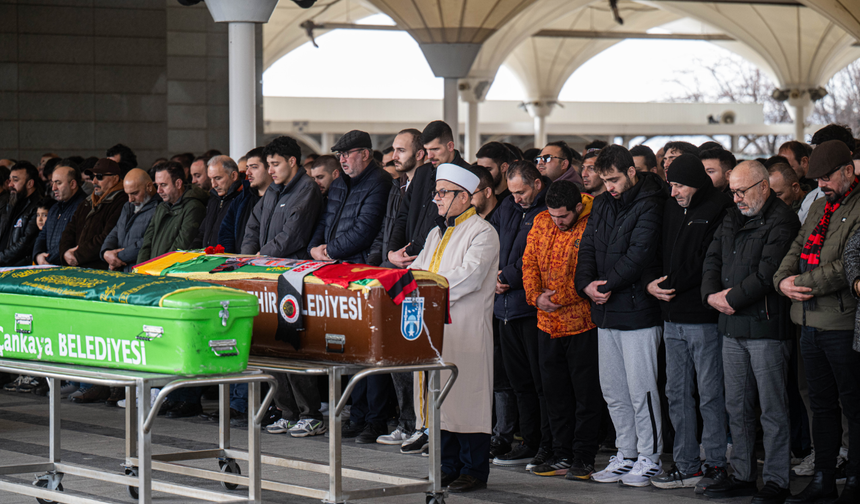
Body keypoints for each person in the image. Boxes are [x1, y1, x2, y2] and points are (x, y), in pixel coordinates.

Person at [701, 160, 799, 504]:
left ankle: (776, 481)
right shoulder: (732, 214)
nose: (737, 198)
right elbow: (712, 257)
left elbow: (769, 273)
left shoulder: (783, 219)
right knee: (737, 407)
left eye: (743, 191)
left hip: (767, 327)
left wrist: (730, 299)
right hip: (731, 326)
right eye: (733, 191)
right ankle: (742, 475)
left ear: (763, 186)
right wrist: (711, 295)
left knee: (773, 410)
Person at [574, 145, 668, 487]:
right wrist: (585, 284)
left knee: (641, 389)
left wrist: (607, 284)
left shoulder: (652, 202)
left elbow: (639, 254)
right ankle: (626, 452)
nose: (609, 186)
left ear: (631, 171)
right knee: (613, 389)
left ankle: (650, 456)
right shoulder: (601, 203)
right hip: (605, 310)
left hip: (638, 311)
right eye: (604, 180)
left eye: (613, 179)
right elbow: (586, 249)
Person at [776, 141, 860, 504]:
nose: (821, 184)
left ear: (848, 171)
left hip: (840, 323)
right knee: (821, 406)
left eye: (827, 177)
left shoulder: (859, 207)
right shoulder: (820, 206)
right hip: (807, 321)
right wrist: (782, 280)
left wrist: (803, 283)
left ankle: (855, 480)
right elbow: (796, 247)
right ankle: (824, 478)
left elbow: (847, 265)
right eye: (817, 179)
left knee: (854, 406)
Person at [409, 162, 499, 493]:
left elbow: (469, 278)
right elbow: (416, 271)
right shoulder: (436, 234)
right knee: (442, 398)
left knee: (468, 398)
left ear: (464, 197)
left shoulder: (483, 232)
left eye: (442, 193)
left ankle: (474, 470)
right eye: (436, 192)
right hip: (437, 329)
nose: (436, 198)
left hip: (467, 328)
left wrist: (427, 289)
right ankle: (447, 466)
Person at [644, 155, 732, 493]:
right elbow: (655, 251)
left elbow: (707, 261)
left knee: (710, 394)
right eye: (671, 185)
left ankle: (714, 464)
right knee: (676, 393)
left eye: (679, 185)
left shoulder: (719, 207)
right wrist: (650, 282)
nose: (674, 192)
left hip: (702, 318)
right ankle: (685, 465)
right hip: (670, 316)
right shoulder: (671, 207)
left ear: (696, 181)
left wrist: (671, 284)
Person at [522, 180, 601, 479]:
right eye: (553, 216)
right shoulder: (542, 221)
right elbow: (528, 262)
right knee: (553, 394)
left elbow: (590, 270)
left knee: (585, 395)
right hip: (546, 323)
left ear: (578, 208)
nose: (557, 222)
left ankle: (583, 457)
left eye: (563, 217)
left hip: (582, 323)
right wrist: (535, 296)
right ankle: (560, 454)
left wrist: (556, 298)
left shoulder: (592, 223)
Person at [489, 161, 553, 470]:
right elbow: (493, 245)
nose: (517, 198)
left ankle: (545, 442)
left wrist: (506, 277)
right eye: (512, 192)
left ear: (538, 184)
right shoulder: (507, 207)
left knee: (540, 381)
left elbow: (537, 257)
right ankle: (528, 441)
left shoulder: (548, 210)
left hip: (529, 308)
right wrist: (494, 274)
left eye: (522, 191)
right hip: (503, 309)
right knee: (518, 383)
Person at [308, 130, 389, 265]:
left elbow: (364, 230)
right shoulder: (338, 184)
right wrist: (313, 249)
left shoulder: (380, 182)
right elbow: (324, 220)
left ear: (365, 154)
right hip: (330, 260)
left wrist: (328, 251)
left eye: (346, 154)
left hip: (358, 264)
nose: (341, 160)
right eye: (339, 155)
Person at [240, 137, 321, 258]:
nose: (270, 171)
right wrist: (247, 256)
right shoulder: (273, 188)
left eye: (275, 164)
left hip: (290, 267)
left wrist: (263, 254)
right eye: (268, 165)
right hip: (263, 262)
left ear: (292, 162)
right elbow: (253, 226)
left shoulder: (308, 189)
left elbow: (293, 235)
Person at [58, 158, 128, 270]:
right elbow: (69, 230)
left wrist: (77, 255)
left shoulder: (122, 201)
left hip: (100, 271)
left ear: (115, 179)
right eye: (92, 177)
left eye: (99, 177)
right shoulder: (87, 202)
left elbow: (107, 237)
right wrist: (65, 253)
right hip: (78, 267)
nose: (94, 181)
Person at [136, 161, 208, 265]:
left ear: (178, 183)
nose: (158, 191)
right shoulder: (162, 207)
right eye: (157, 185)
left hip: (170, 272)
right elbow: (147, 242)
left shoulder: (193, 207)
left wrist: (157, 268)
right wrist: (140, 268)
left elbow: (181, 246)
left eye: (163, 185)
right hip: (153, 272)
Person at [101, 169, 158, 272]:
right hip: (120, 270)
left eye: (134, 193)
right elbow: (116, 230)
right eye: (127, 194)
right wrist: (106, 252)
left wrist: (117, 257)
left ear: (149, 187)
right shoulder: (128, 206)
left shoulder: (159, 208)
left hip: (139, 272)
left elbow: (148, 241)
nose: (130, 199)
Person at [219, 147, 272, 254]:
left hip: (268, 264)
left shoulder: (281, 199)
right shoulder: (242, 198)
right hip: (239, 263)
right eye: (247, 167)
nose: (248, 172)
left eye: (254, 167)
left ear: (269, 168)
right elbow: (226, 232)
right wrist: (229, 259)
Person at [34, 162, 86, 265]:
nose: (53, 188)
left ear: (73, 184)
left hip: (69, 271)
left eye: (58, 183)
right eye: (53, 183)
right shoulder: (54, 208)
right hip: (51, 266)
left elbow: (73, 242)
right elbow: (42, 235)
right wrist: (38, 255)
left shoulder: (84, 207)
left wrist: (47, 259)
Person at [0, 161, 42, 266]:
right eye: (10, 180)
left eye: (15, 180)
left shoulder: (38, 207)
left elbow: (24, 244)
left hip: (19, 268)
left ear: (30, 183)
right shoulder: (11, 203)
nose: (10, 185)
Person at [195, 155, 242, 249]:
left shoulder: (242, 200)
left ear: (234, 175)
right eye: (211, 179)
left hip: (228, 260)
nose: (214, 184)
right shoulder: (214, 198)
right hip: (209, 258)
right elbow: (203, 231)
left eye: (218, 178)